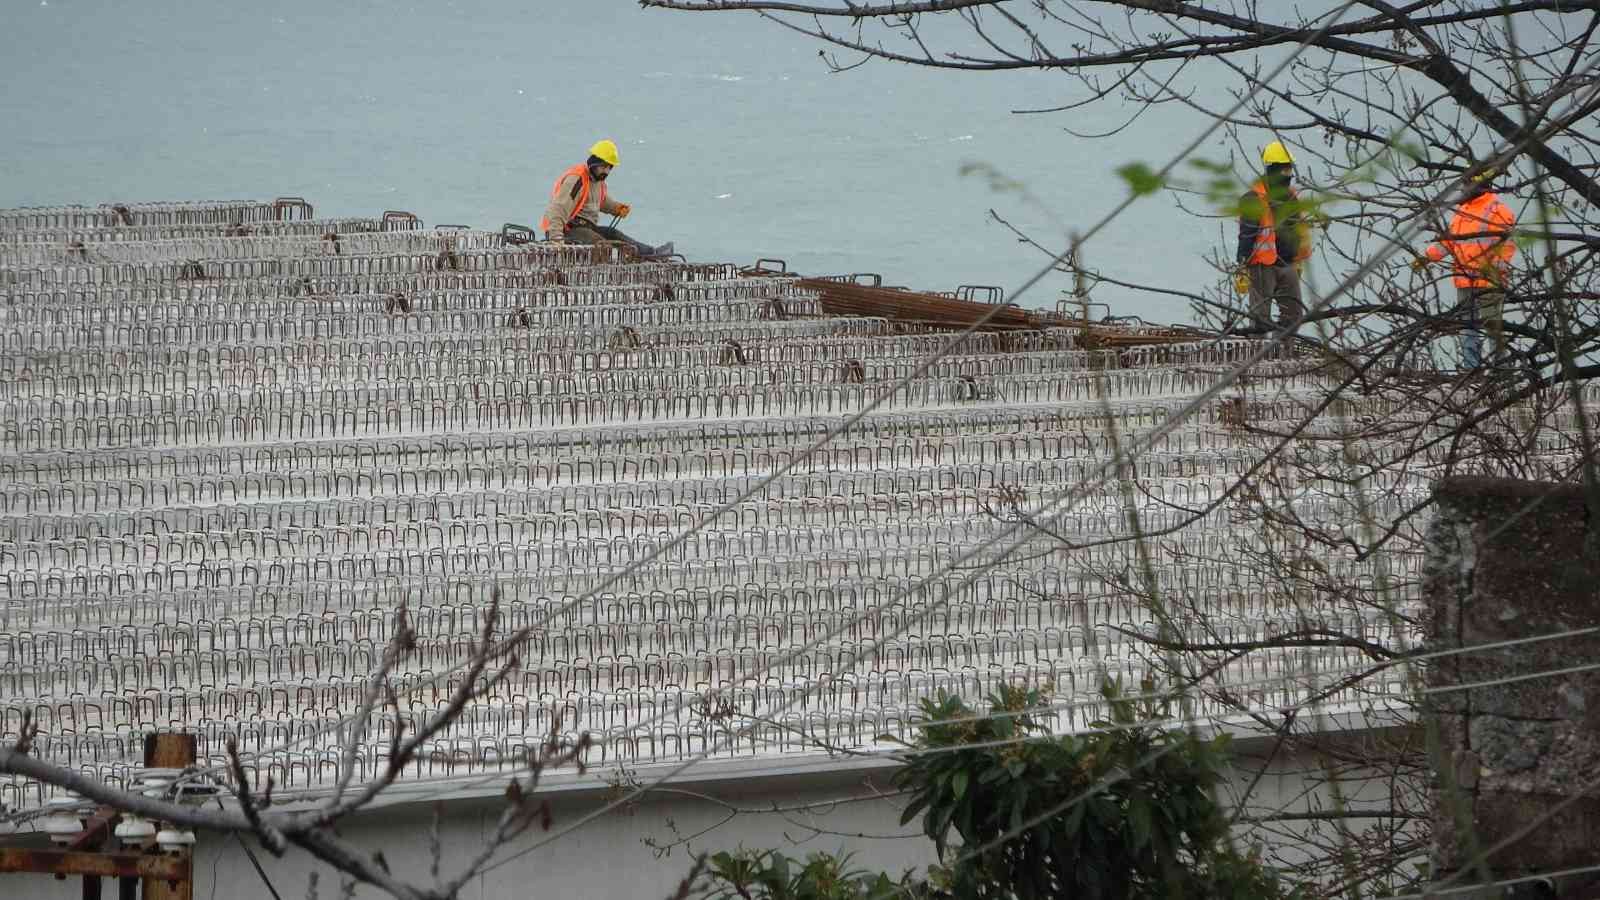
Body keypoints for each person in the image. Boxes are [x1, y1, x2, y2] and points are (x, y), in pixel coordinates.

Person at [1412, 167, 1516, 369]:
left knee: (1492, 328)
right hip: (1463, 280)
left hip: (1489, 281)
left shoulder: (1498, 210)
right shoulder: (1463, 211)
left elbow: (1508, 246)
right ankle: (1471, 372)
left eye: (1466, 184)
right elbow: (1449, 242)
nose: (1462, 189)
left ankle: (1501, 371)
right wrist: (1426, 258)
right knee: (1467, 329)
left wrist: (1495, 269)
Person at [539, 139, 674, 258]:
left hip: (586, 228)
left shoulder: (598, 181)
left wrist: (616, 208)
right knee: (603, 245)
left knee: (613, 234)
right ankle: (624, 262)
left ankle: (652, 253)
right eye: (604, 166)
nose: (607, 171)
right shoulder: (576, 179)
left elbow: (601, 201)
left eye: (610, 167)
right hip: (567, 230)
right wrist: (556, 241)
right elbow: (557, 210)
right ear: (594, 163)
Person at [1233, 141, 1313, 335]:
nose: (1288, 174)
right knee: (1260, 319)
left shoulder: (1292, 196)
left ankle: (1284, 355)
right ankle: (1256, 358)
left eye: (1289, 169)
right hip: (1262, 265)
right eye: (1284, 170)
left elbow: (1299, 229)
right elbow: (1247, 234)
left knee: (1293, 316)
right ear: (1273, 169)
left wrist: (1299, 260)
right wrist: (1242, 263)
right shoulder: (1253, 199)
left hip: (1287, 263)